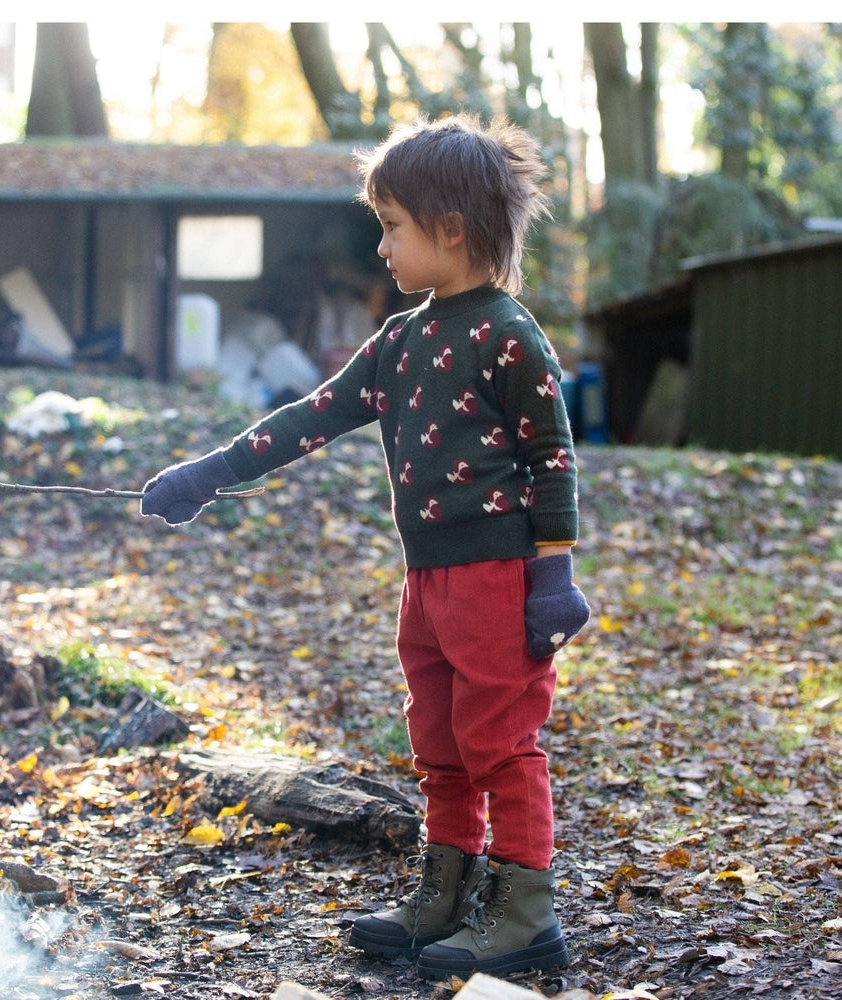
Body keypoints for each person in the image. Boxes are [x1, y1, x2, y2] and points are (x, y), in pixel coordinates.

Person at [140, 113, 590, 981]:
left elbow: (552, 457)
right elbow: (310, 418)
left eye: (391, 226)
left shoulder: (508, 333)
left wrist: (553, 576)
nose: (380, 246)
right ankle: (447, 889)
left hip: (498, 578)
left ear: (449, 229)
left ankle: (524, 909)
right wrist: (209, 473)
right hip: (428, 582)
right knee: (440, 739)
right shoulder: (400, 340)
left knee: (500, 739)